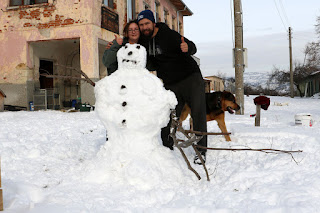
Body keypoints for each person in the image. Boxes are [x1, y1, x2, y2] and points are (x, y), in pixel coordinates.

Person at [137, 10, 207, 164]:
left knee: (198, 113)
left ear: (153, 23)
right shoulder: (144, 42)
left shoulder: (169, 35)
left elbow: (193, 47)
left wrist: (187, 47)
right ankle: (166, 147)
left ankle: (201, 152)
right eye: (141, 25)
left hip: (190, 78)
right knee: (168, 115)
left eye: (147, 23)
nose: (144, 27)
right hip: (171, 84)